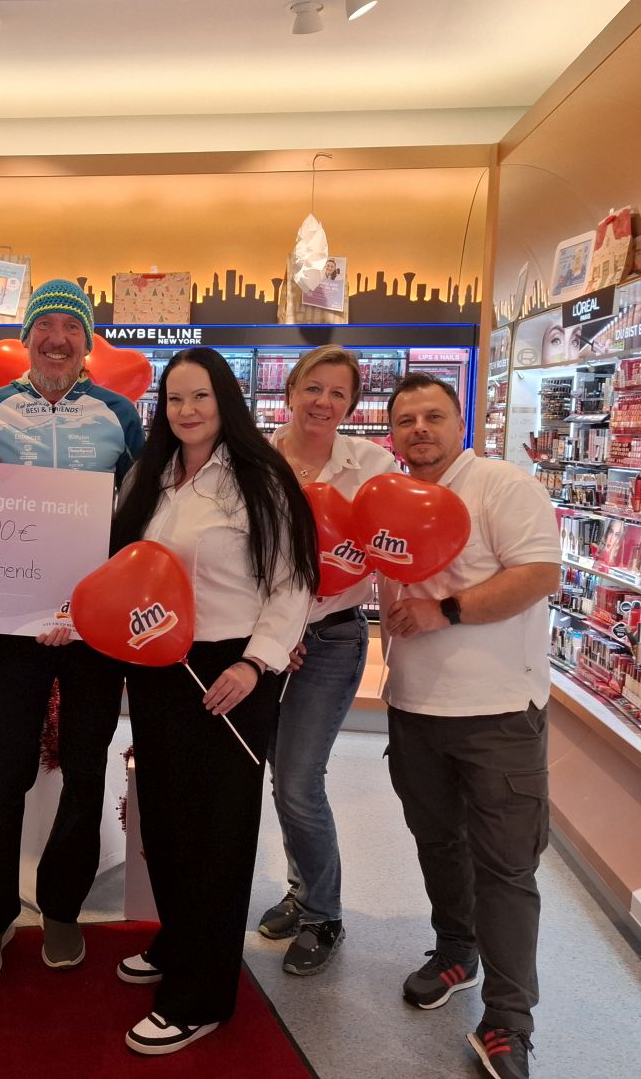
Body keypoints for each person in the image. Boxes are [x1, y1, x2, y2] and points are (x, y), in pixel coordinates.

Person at [110, 347, 315, 1055]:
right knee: (165, 818)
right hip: (157, 664)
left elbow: (293, 582)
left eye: (200, 396)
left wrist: (256, 663)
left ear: (227, 400)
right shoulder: (151, 475)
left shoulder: (261, 478)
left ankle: (202, 994)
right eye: (175, 398)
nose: (187, 410)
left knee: (216, 831)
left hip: (231, 671)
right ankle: (180, 938)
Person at [0, 278, 145, 981]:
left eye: (72, 327)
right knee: (3, 767)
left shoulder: (119, 414)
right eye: (46, 326)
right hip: (15, 622)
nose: (58, 338)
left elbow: (142, 514)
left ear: (87, 341)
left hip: (94, 626)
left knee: (86, 768)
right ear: (27, 338)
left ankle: (62, 907)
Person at [380, 372, 559, 1079]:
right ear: (393, 434)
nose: (419, 429)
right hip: (414, 706)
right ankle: (456, 950)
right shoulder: (391, 498)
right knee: (437, 842)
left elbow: (538, 573)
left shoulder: (500, 486)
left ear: (461, 422)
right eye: (406, 420)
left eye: (433, 416)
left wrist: (444, 610)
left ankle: (509, 1021)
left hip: (499, 713)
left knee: (507, 868)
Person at [256, 345, 399, 976]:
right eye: (313, 388)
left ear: (352, 405)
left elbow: (394, 547)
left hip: (333, 636)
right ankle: (302, 888)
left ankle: (324, 914)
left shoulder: (371, 465)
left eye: (338, 393)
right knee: (279, 773)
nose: (323, 402)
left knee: (298, 780)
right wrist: (270, 631)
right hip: (264, 640)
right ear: (290, 391)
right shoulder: (256, 458)